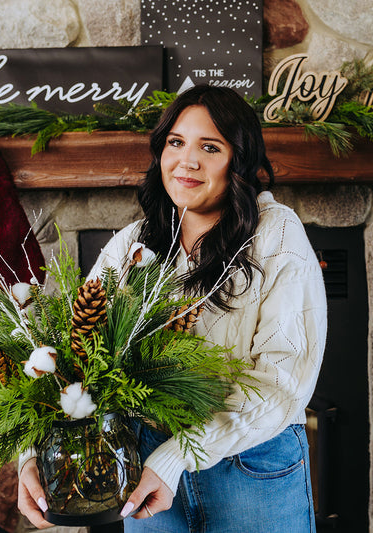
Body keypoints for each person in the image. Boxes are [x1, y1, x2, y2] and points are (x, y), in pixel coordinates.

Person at [18, 84, 327, 532]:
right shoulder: (132, 243)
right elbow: (68, 358)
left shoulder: (277, 235)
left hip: (249, 467)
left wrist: (176, 457)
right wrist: (34, 455)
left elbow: (282, 382)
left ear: (239, 160)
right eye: (176, 142)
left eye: (210, 147)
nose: (187, 160)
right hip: (147, 464)